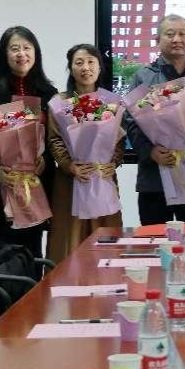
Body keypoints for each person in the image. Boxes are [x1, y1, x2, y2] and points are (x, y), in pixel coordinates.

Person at [0, 26, 58, 259]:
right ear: (4, 54)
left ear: (36, 53)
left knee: (33, 251)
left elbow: (55, 137)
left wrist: (45, 160)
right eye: (14, 48)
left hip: (35, 183)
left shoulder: (49, 93)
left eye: (27, 48)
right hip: (2, 183)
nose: (21, 54)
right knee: (3, 253)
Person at [124, 14, 185, 225]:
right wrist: (150, 151)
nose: (176, 39)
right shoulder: (142, 77)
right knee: (155, 238)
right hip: (154, 177)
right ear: (157, 40)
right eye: (170, 34)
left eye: (182, 34)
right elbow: (131, 123)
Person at [46, 44, 124, 263]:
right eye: (79, 63)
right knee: (69, 237)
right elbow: (54, 139)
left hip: (103, 176)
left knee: (105, 233)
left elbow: (119, 139)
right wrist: (69, 165)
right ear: (71, 69)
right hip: (71, 180)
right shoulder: (59, 103)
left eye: (91, 62)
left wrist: (113, 162)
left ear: (99, 67)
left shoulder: (112, 102)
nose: (85, 67)